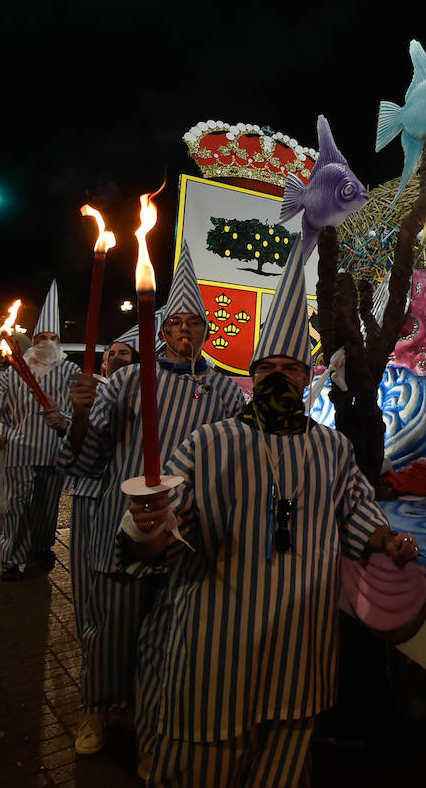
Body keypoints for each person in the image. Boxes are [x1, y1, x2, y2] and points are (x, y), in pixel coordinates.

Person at [121, 235, 419, 786]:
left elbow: (354, 504)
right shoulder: (207, 445)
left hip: (299, 642)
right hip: (218, 640)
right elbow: (160, 536)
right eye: (269, 369)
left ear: (308, 379)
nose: (280, 377)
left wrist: (384, 541)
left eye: (292, 368)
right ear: (253, 378)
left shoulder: (330, 447)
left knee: (285, 762)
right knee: (207, 758)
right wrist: (149, 527)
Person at [59, 244, 248, 759]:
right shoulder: (122, 382)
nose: (185, 332)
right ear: (161, 332)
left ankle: (154, 733)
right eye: (176, 324)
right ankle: (96, 709)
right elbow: (85, 459)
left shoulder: (228, 393)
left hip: (185, 538)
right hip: (121, 532)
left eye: (195, 325)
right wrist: (78, 416)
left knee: (169, 644)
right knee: (111, 632)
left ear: (208, 334)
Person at [0, 281, 73, 581]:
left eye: (53, 337)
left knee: (47, 507)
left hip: (55, 450)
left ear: (59, 340)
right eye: (41, 337)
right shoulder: (13, 372)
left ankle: (41, 547)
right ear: (33, 340)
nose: (47, 342)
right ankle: (11, 558)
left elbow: (81, 409)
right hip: (19, 448)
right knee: (17, 506)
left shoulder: (71, 371)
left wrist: (67, 423)